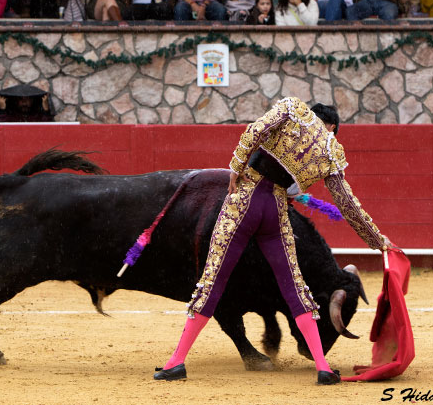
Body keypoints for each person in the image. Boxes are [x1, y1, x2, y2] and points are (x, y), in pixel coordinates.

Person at [152, 98, 393, 385]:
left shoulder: (292, 108)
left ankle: (176, 362)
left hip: (245, 200)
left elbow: (254, 131)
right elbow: (348, 204)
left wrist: (236, 167)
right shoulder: (331, 151)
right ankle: (323, 367)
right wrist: (379, 241)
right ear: (330, 126)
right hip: (276, 210)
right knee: (295, 287)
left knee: (213, 280)